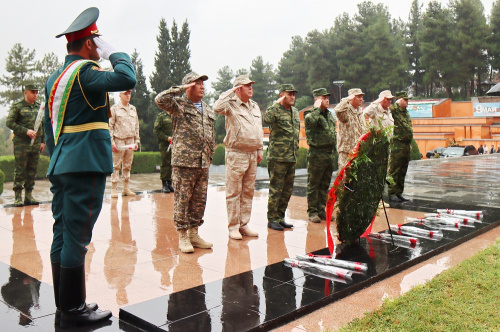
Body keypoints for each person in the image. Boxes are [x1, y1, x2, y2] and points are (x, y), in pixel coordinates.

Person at [43, 7, 136, 328]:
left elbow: (48, 128)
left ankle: (65, 304)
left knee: (62, 232)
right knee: (77, 237)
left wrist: (58, 160)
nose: (99, 48)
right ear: (88, 45)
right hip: (85, 164)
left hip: (62, 163)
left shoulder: (56, 78)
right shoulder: (86, 72)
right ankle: (74, 310)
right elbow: (127, 78)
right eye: (97, 42)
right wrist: (116, 53)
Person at [155, 72, 215, 253]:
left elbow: (211, 135)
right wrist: (181, 89)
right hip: (184, 162)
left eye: (203, 83)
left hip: (202, 162)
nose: (202, 86)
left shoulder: (207, 108)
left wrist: (210, 155)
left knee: (199, 201)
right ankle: (182, 235)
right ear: (188, 86)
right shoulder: (177, 104)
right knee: (183, 200)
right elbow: (159, 99)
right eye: (197, 83)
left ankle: (194, 234)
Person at [213, 75, 263, 239]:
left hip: (252, 154)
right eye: (247, 85)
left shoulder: (254, 106)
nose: (251, 88)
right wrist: (231, 92)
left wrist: (260, 149)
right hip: (236, 153)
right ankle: (233, 226)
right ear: (238, 89)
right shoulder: (230, 105)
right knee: (234, 192)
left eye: (251, 85)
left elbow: (259, 128)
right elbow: (216, 107)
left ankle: (244, 224)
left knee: (248, 192)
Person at [264, 84, 300, 231]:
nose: (292, 97)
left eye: (293, 94)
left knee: (287, 190)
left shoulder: (295, 111)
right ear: (281, 96)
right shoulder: (274, 110)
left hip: (291, 157)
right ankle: (272, 219)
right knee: (276, 189)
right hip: (278, 157)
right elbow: (266, 119)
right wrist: (276, 104)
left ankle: (280, 217)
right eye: (289, 94)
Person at [6, 84, 45, 207]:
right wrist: (25, 131)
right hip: (21, 144)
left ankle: (29, 196)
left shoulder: (40, 107)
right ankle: (18, 197)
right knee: (20, 170)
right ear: (26, 93)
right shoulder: (18, 106)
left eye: (36, 92)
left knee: (32, 170)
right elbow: (9, 122)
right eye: (32, 92)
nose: (35, 95)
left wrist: (42, 141)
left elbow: (42, 126)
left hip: (36, 144)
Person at [304, 88, 337, 223]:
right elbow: (310, 122)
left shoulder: (328, 114)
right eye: (324, 98)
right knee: (314, 184)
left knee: (324, 184)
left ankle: (321, 209)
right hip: (317, 154)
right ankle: (312, 212)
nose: (327, 100)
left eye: (328, 98)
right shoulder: (310, 113)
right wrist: (317, 108)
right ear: (316, 100)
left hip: (328, 154)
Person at [364, 90, 395, 207]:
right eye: (387, 99)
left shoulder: (388, 111)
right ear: (383, 100)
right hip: (377, 147)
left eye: (390, 99)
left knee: (383, 174)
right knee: (375, 174)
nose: (390, 101)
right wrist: (377, 101)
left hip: (387, 147)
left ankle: (380, 199)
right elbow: (366, 112)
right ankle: (373, 200)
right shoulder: (375, 110)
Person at [109, 90, 140, 198]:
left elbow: (136, 126)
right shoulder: (114, 109)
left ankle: (125, 189)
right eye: (125, 94)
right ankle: (114, 189)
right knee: (116, 166)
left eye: (129, 94)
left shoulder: (133, 109)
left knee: (127, 166)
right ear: (120, 95)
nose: (128, 96)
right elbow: (110, 127)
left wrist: (137, 141)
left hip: (130, 140)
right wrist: (112, 143)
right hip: (119, 140)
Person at [387, 91, 413, 202]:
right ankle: (392, 193)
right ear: (400, 100)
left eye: (407, 100)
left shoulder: (405, 112)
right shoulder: (393, 110)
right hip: (397, 144)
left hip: (406, 145)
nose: (407, 102)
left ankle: (399, 192)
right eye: (405, 100)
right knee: (394, 169)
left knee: (403, 170)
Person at [335, 88, 366, 171]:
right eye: (358, 97)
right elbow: (338, 110)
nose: (361, 99)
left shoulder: (360, 111)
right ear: (352, 98)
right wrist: (346, 99)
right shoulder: (345, 111)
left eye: (361, 97)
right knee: (344, 178)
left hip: (359, 151)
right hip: (347, 151)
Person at [154, 111, 174, 193]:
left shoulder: (176, 114)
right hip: (165, 144)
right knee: (165, 163)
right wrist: (167, 138)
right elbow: (156, 130)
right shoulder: (161, 116)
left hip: (176, 143)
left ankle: (170, 183)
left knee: (173, 163)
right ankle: (164, 184)